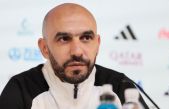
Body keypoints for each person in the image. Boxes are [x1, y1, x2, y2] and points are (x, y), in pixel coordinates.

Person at [0, 3, 149, 109]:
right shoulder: (21, 89)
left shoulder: (119, 86)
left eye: (86, 38)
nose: (77, 51)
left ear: (97, 44)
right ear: (44, 48)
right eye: (64, 39)